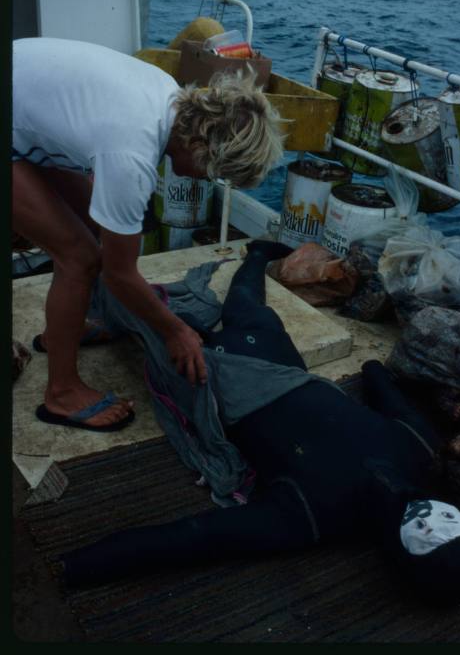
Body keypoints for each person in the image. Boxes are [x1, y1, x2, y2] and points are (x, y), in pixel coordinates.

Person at [61, 241, 460, 606]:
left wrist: (75, 567)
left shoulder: (314, 516)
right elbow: (374, 372)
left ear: (397, 556)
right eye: (448, 526)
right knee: (243, 310)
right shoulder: (417, 452)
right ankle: (254, 256)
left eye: (427, 537)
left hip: (220, 383)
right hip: (277, 368)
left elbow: (194, 537)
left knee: (162, 325)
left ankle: (97, 300)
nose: (429, 520)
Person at [12, 37, 284, 431]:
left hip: (24, 108)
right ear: (200, 146)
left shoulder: (168, 97)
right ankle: (62, 393)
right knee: (81, 257)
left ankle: (63, 331)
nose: (209, 180)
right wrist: (175, 330)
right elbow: (119, 274)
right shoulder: (132, 155)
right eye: (215, 172)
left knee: (91, 225)